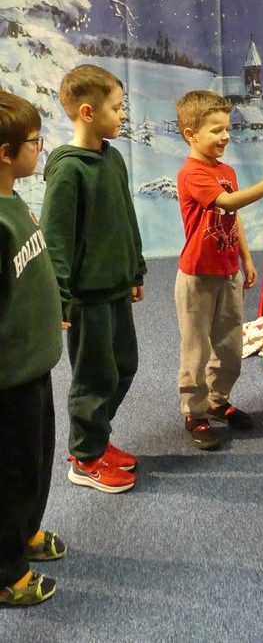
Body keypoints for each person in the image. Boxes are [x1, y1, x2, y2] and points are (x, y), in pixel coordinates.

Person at [174, 90, 263, 450]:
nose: (225, 136)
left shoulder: (226, 171)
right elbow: (227, 201)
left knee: (231, 347)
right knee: (196, 350)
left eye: (227, 128)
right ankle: (194, 413)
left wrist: (246, 259)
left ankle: (216, 401)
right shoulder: (192, 173)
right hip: (197, 277)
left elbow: (232, 216)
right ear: (190, 134)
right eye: (216, 130)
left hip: (227, 272)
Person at [41, 65, 146, 494]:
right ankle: (85, 458)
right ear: (88, 112)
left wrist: (135, 268)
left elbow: (126, 219)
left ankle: (96, 439)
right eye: (116, 108)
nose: (122, 115)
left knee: (124, 366)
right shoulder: (68, 171)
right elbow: (56, 240)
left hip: (116, 287)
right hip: (87, 297)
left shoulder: (113, 158)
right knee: (94, 378)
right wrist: (59, 297)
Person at [0, 92, 66, 607]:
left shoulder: (14, 199)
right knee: (11, 476)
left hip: (33, 367)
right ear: (6, 153)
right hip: (8, 380)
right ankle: (7, 573)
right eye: (34, 141)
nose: (40, 148)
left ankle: (24, 533)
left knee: (37, 462)